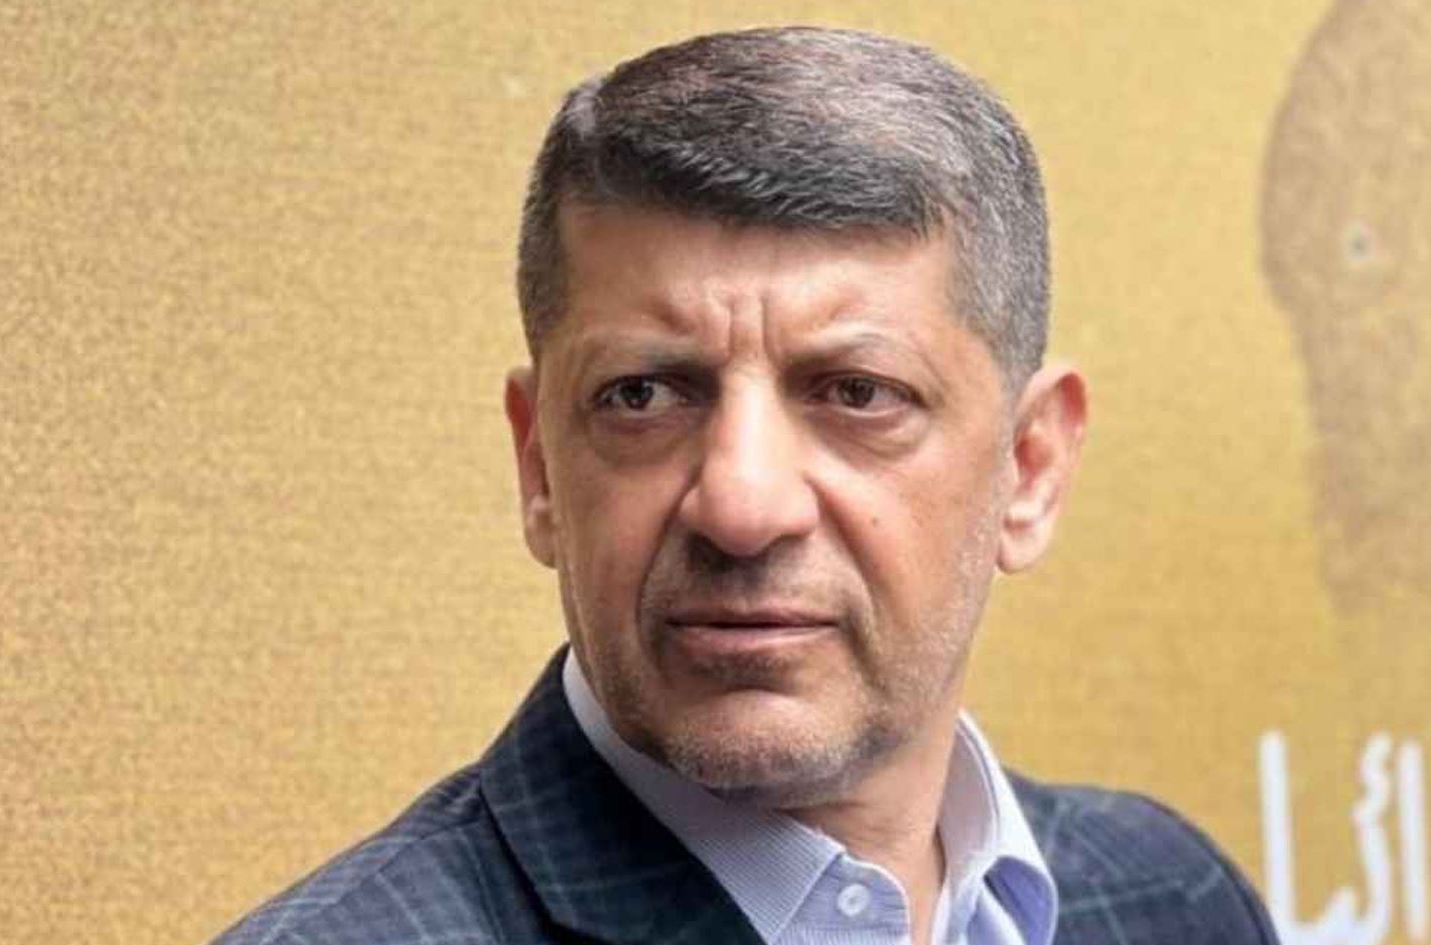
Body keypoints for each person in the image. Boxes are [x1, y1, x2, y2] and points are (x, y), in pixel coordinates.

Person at [212, 26, 1278, 945]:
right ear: (539, 468)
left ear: (1030, 468)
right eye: (642, 396)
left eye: (857, 393)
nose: (742, 505)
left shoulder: (1173, 901)